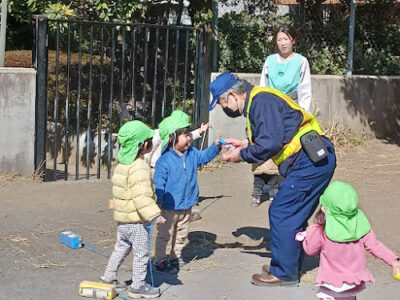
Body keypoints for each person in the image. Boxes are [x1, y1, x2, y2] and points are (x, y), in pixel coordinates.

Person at [208, 72, 336, 285]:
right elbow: (274, 137)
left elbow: (270, 144)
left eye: (222, 103)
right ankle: (287, 265)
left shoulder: (260, 103)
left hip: (308, 161)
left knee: (282, 212)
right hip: (312, 159)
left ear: (232, 95)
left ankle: (284, 273)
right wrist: (244, 144)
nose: (223, 108)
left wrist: (240, 155)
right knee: (292, 213)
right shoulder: (259, 100)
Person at [296, 181, 400, 300]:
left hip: (331, 283)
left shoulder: (321, 230)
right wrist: (394, 260)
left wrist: (309, 234)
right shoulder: (360, 225)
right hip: (352, 282)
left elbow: (310, 250)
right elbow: (374, 246)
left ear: (324, 209)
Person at [100, 120, 166, 299]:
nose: (151, 144)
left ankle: (109, 275)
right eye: (149, 141)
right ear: (143, 145)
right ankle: (138, 286)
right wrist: (154, 216)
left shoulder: (122, 165)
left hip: (123, 219)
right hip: (137, 222)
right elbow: (142, 195)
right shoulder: (139, 167)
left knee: (121, 247)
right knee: (142, 253)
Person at [153, 110, 222, 273]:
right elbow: (159, 183)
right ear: (172, 138)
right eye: (185, 135)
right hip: (169, 206)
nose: (189, 137)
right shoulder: (165, 160)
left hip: (187, 204)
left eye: (189, 134)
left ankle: (175, 257)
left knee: (181, 234)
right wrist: (159, 201)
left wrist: (215, 147)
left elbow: (204, 157)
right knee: (164, 234)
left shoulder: (192, 153)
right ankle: (159, 260)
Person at [251, 25, 312, 207]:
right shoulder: (270, 60)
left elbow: (305, 90)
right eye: (279, 39)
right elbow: (263, 85)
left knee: (288, 148)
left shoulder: (301, 61)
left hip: (292, 108)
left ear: (293, 40)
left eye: (286, 39)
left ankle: (283, 187)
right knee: (265, 146)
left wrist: (303, 115)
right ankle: (260, 187)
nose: (283, 43)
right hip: (271, 107)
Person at [144, 117, 211, 222]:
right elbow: (149, 152)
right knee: (155, 191)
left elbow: (187, 137)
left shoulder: (177, 136)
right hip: (153, 167)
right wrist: (145, 166)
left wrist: (200, 131)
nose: (188, 137)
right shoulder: (158, 134)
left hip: (166, 167)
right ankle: (155, 213)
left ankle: (176, 214)